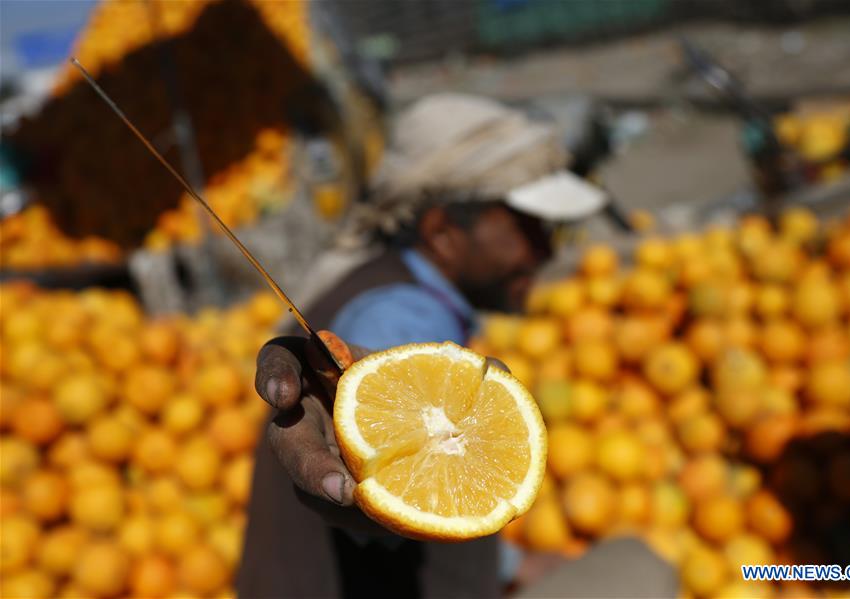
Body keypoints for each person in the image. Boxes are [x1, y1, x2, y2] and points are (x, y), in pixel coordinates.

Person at [236, 93, 605, 598]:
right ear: (443, 232)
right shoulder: (407, 314)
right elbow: (395, 433)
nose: (544, 250)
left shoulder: (389, 283)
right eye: (527, 227)